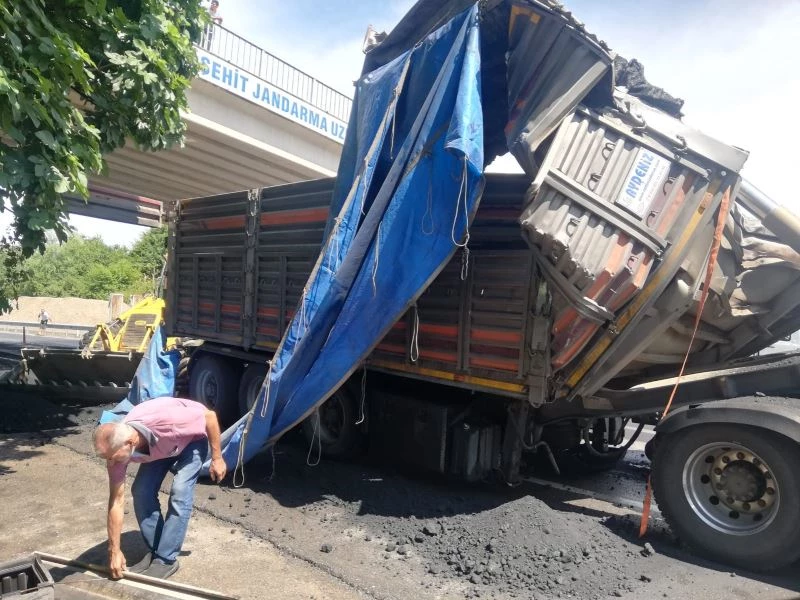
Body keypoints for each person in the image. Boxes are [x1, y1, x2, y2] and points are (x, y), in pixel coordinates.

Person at [92, 397, 227, 579]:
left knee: (180, 491)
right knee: (141, 491)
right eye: (107, 458)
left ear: (131, 442)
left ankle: (166, 558)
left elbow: (209, 417)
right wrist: (114, 551)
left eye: (114, 457)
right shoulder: (116, 451)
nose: (111, 463)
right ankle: (157, 551)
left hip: (191, 439)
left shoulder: (166, 421)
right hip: (162, 447)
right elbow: (116, 501)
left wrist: (217, 458)